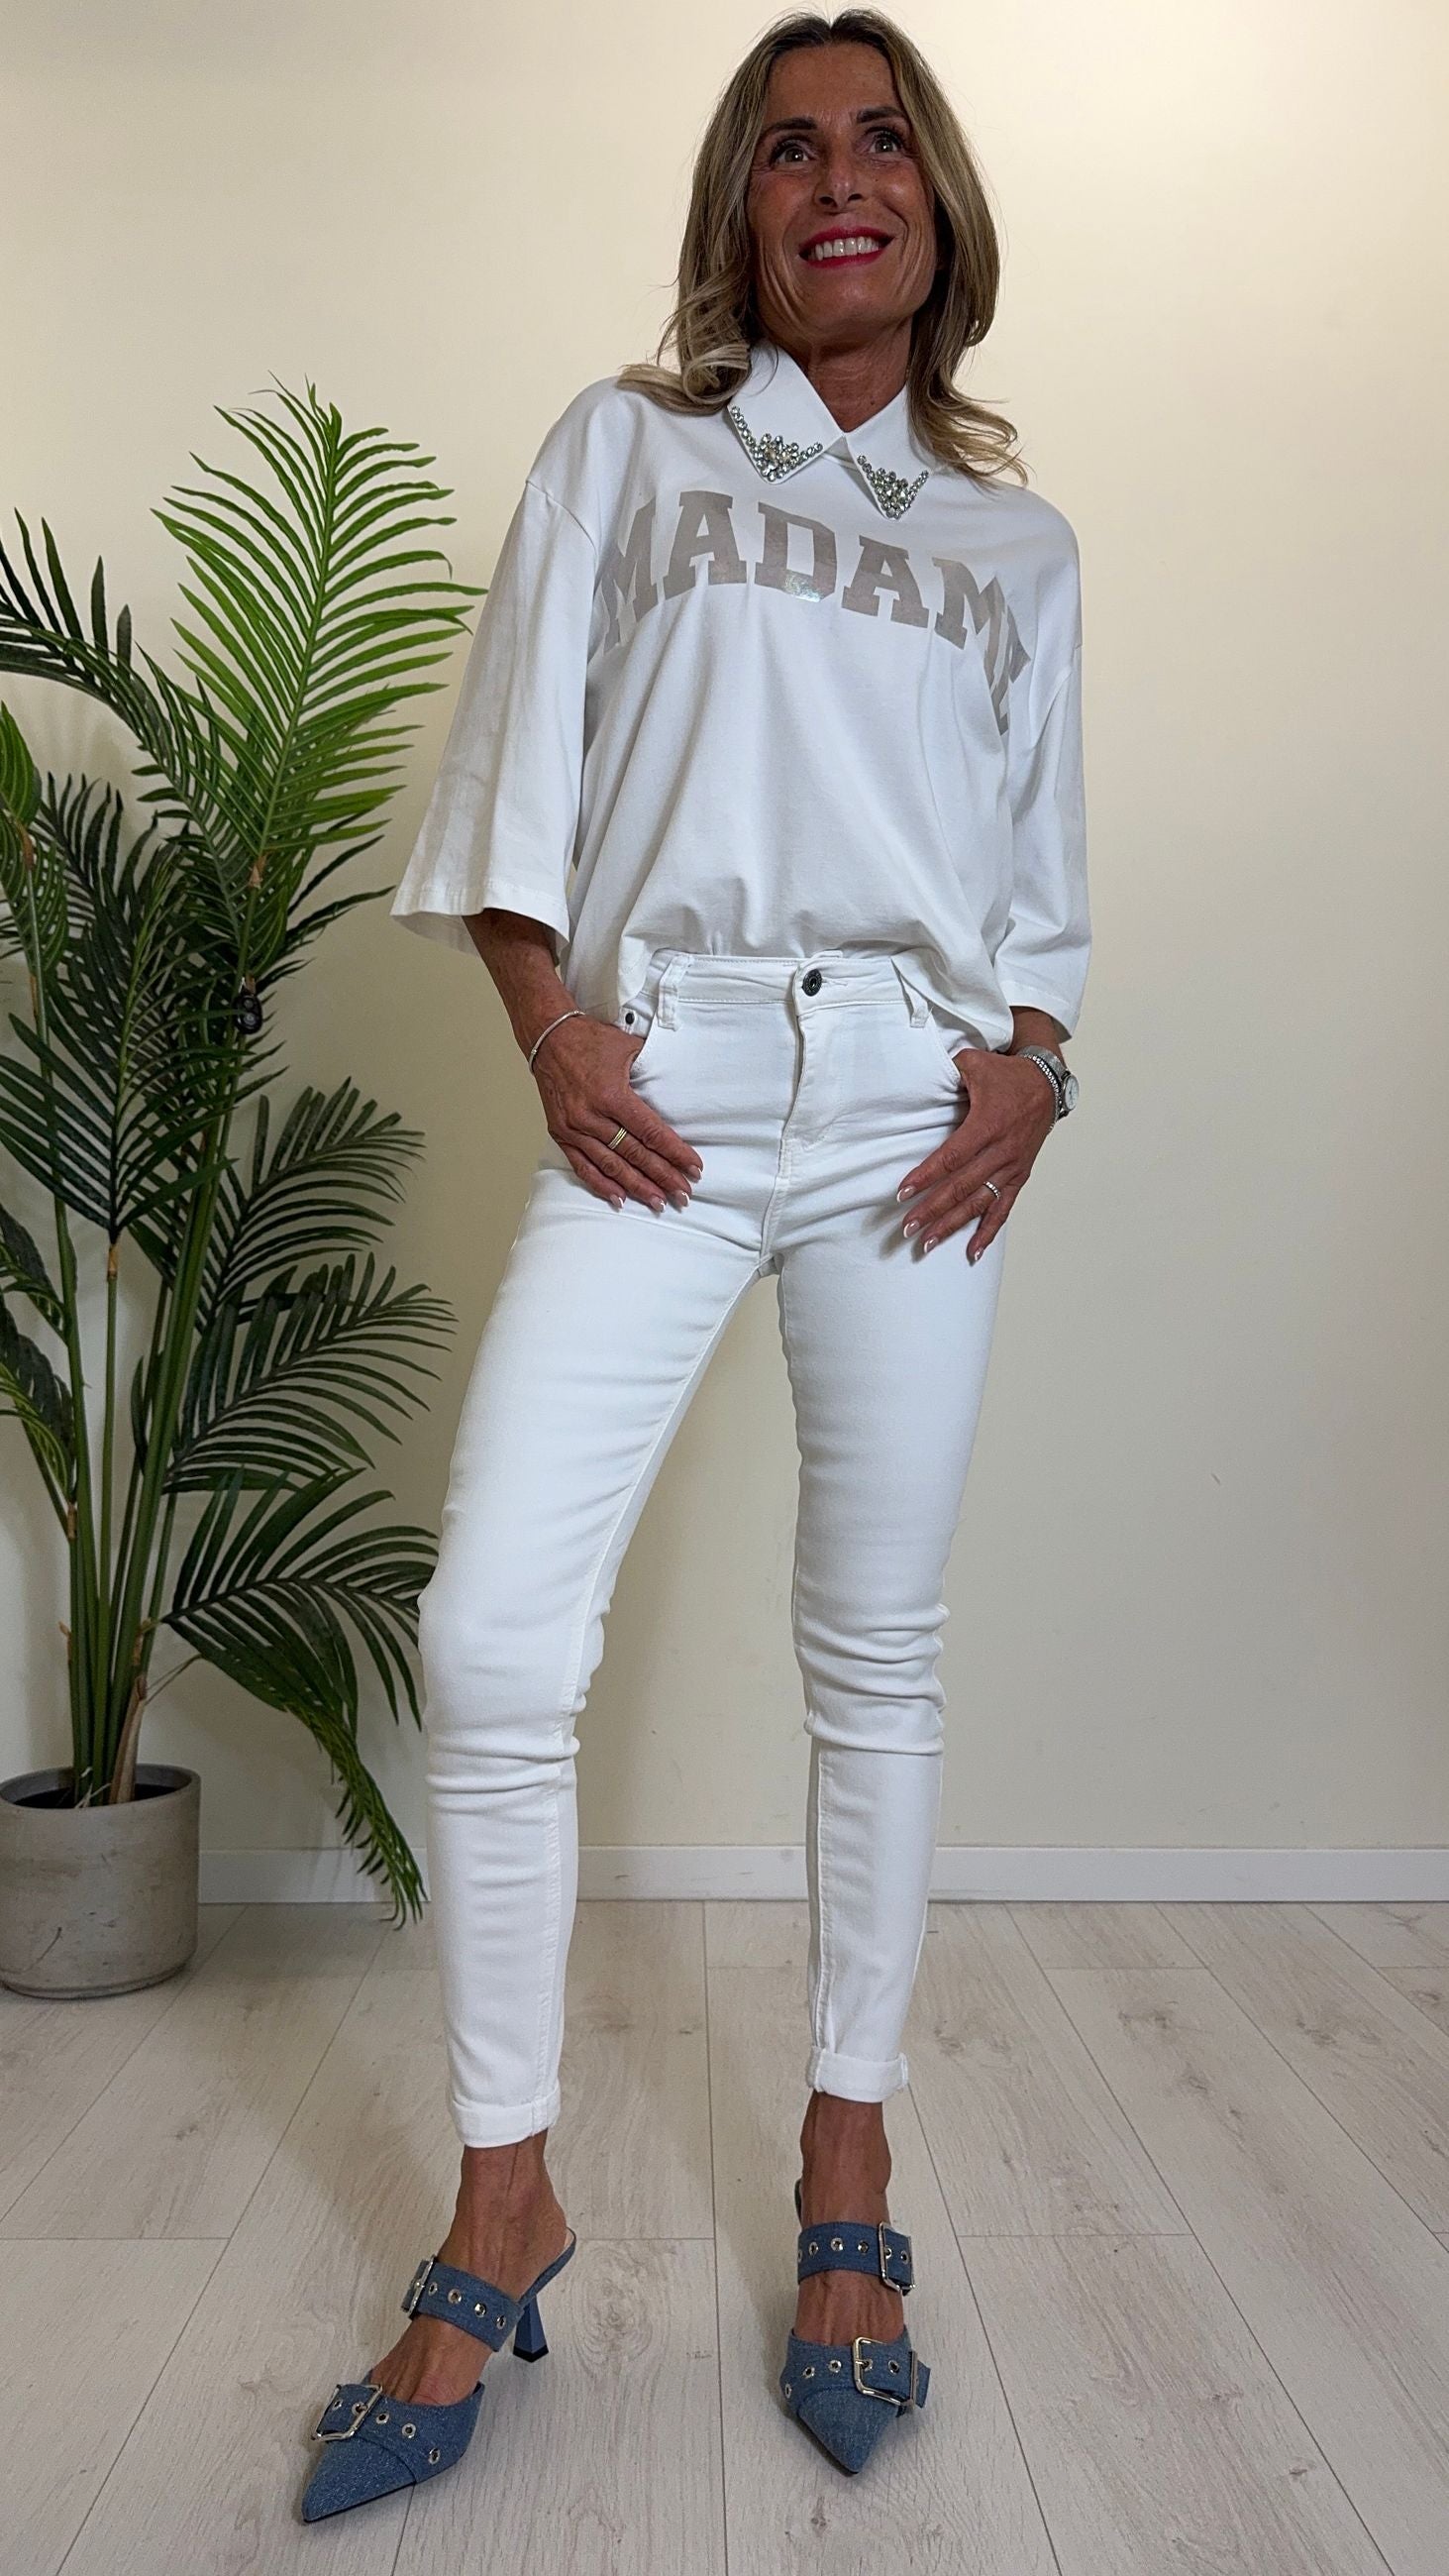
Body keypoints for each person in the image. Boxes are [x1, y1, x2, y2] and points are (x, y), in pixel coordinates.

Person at [302, 3, 1088, 2518]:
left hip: (907, 1115)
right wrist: (553, 1033)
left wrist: (1034, 1066)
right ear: (739, 211)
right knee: (495, 1640)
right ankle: (504, 2192)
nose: (840, 179)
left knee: (876, 1645)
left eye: (883, 142)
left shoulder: (1020, 551)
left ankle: (849, 2163)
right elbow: (509, 795)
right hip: (670, 1085)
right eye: (788, 148)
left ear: (941, 206)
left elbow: (1040, 902)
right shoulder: (627, 452)